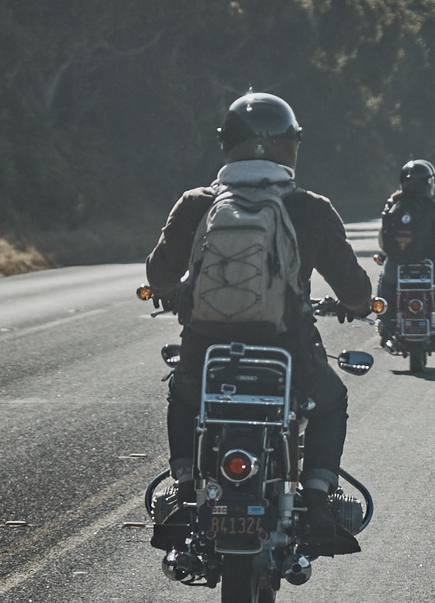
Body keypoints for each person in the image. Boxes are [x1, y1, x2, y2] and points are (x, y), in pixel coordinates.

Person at [145, 92, 373, 549]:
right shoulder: (311, 208)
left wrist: (175, 294)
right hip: (287, 352)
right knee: (329, 403)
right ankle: (317, 498)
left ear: (225, 143)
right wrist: (357, 305)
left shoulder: (196, 204)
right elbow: (356, 290)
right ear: (291, 145)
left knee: (185, 396)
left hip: (206, 347)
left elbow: (159, 275)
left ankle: (186, 490)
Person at [378, 159, 435, 346]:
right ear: (429, 183)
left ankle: (385, 324)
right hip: (430, 262)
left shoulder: (393, 205)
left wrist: (391, 253)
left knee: (385, 282)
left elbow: (383, 239)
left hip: (397, 262)